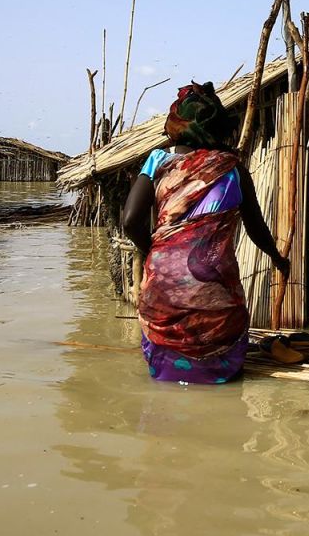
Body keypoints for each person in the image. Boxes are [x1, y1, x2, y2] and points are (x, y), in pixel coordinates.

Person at [122, 82, 291, 384]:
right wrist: (278, 259)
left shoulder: (157, 162)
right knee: (225, 334)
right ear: (216, 126)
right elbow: (256, 228)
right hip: (214, 289)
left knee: (163, 386)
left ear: (175, 124)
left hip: (162, 285)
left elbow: (131, 221)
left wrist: (155, 254)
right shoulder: (231, 169)